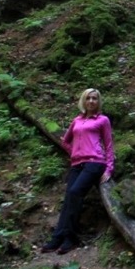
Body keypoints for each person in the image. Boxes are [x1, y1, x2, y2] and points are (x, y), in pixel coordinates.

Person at [41, 88, 115, 255]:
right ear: (83, 100)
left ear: (98, 102)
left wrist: (109, 168)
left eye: (94, 98)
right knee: (68, 199)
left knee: (75, 192)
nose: (91, 101)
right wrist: (75, 152)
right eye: (88, 98)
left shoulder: (102, 120)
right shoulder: (77, 120)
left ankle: (71, 238)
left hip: (94, 163)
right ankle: (57, 237)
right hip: (77, 163)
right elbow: (65, 141)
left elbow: (109, 145)